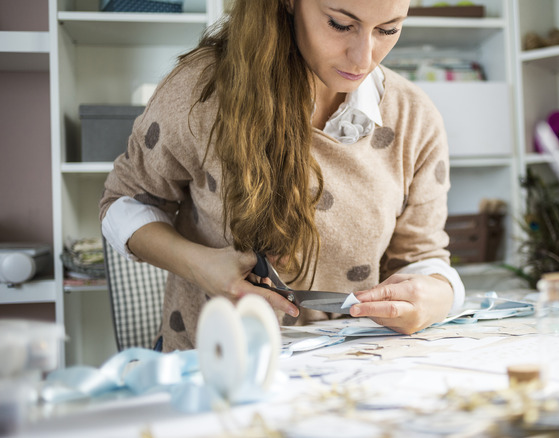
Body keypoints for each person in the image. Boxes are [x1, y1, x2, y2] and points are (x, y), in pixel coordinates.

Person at [99, 0, 464, 352]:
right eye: (340, 24)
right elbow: (123, 203)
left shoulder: (415, 118)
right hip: (216, 366)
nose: (363, 57)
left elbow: (422, 256)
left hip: (350, 371)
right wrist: (200, 265)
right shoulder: (202, 90)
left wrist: (440, 294)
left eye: (388, 29)